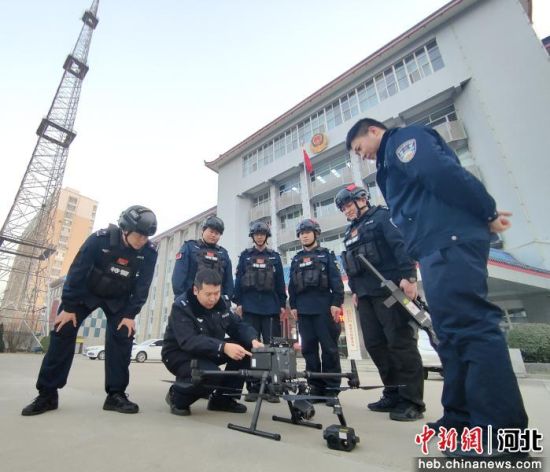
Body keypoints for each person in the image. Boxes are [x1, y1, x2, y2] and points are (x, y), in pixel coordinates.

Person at [346, 118, 528, 451]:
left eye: (360, 148)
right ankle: (459, 420)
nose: (363, 156)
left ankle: (502, 436)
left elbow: (440, 172)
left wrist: (486, 212)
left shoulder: (403, 141)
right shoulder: (388, 165)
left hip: (450, 240)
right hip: (434, 246)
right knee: (450, 336)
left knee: (471, 329)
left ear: (373, 131)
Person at [22, 205, 158, 416]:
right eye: (139, 235)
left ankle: (116, 395)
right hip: (86, 293)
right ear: (125, 229)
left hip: (118, 298)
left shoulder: (148, 252)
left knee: (123, 334)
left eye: (147, 236)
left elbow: (143, 285)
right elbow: (77, 270)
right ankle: (47, 394)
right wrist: (69, 306)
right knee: (63, 330)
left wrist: (131, 314)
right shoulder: (99, 240)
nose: (143, 240)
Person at [335, 184, 425, 421]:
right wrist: (355, 291)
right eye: (343, 209)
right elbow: (352, 265)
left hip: (390, 291)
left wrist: (409, 277)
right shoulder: (349, 232)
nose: (346, 211)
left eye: (348, 205)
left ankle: (412, 401)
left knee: (400, 343)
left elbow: (400, 245)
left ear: (361, 199)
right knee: (375, 345)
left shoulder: (383, 217)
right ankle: (392, 393)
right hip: (365, 296)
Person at [162, 268, 262, 416]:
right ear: (196, 290)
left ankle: (223, 400)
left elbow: (237, 326)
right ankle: (177, 395)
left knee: (246, 349)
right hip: (179, 354)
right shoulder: (181, 306)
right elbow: (189, 340)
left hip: (210, 349)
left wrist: (253, 340)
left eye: (216, 293)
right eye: (208, 294)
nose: (213, 299)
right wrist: (223, 347)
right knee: (211, 375)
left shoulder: (221, 305)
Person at [288, 218, 344, 399]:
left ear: (315, 234)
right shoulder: (296, 259)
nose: (304, 236)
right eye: (301, 233)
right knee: (309, 350)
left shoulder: (326, 255)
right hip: (303, 311)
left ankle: (331, 388)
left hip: (324, 309)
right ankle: (315, 387)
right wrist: (293, 306)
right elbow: (292, 286)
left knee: (329, 349)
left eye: (307, 232)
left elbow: (336, 282)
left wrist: (336, 303)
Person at [233, 220, 287, 402]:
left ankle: (272, 388)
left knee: (271, 348)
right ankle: (254, 388)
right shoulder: (245, 256)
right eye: (256, 234)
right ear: (252, 236)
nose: (259, 237)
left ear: (266, 236)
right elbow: (238, 280)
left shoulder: (275, 257)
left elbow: (280, 282)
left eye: (262, 234)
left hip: (271, 308)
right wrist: (238, 302)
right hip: (249, 308)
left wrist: (282, 304)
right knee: (252, 348)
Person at [172, 215, 233, 299]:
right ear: (203, 230)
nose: (213, 235)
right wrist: (181, 298)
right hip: (191, 299)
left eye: (217, 233)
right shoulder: (189, 247)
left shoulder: (223, 253)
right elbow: (179, 276)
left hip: (215, 300)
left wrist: (226, 299)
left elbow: (228, 282)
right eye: (211, 231)